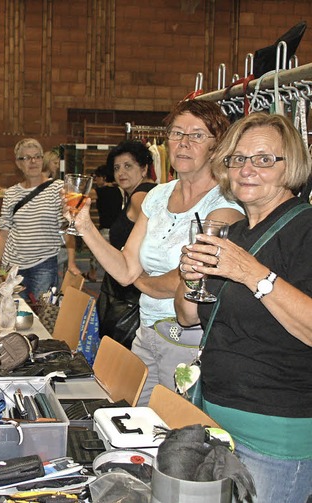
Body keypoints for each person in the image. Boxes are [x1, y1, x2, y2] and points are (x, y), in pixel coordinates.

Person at [175, 113, 312, 503]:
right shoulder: (231, 233)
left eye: (265, 159)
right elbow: (187, 317)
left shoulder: (306, 229)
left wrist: (253, 274)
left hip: (276, 435)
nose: (248, 169)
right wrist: (190, 276)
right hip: (213, 420)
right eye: (238, 159)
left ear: (292, 166)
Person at [71, 100, 244, 405]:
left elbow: (188, 279)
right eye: (177, 133)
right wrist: (85, 227)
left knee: (177, 430)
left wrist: (143, 281)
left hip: (188, 339)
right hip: (145, 331)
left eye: (197, 135)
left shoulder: (225, 206)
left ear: (217, 147)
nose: (184, 143)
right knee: (132, 417)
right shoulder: (157, 195)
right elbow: (125, 269)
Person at [0, 138, 79, 302]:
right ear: (18, 164)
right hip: (13, 266)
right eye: (26, 158)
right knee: (15, 311)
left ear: (42, 159)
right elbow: (3, 233)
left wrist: (72, 262)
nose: (33, 161)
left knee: (43, 313)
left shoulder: (58, 188)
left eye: (37, 156)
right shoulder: (11, 193)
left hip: (44, 264)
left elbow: (67, 226)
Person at [97, 141, 156, 346]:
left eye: (128, 166)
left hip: (130, 296)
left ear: (144, 168)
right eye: (116, 168)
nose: (121, 172)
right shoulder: (139, 194)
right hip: (127, 291)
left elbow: (155, 224)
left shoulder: (141, 195)